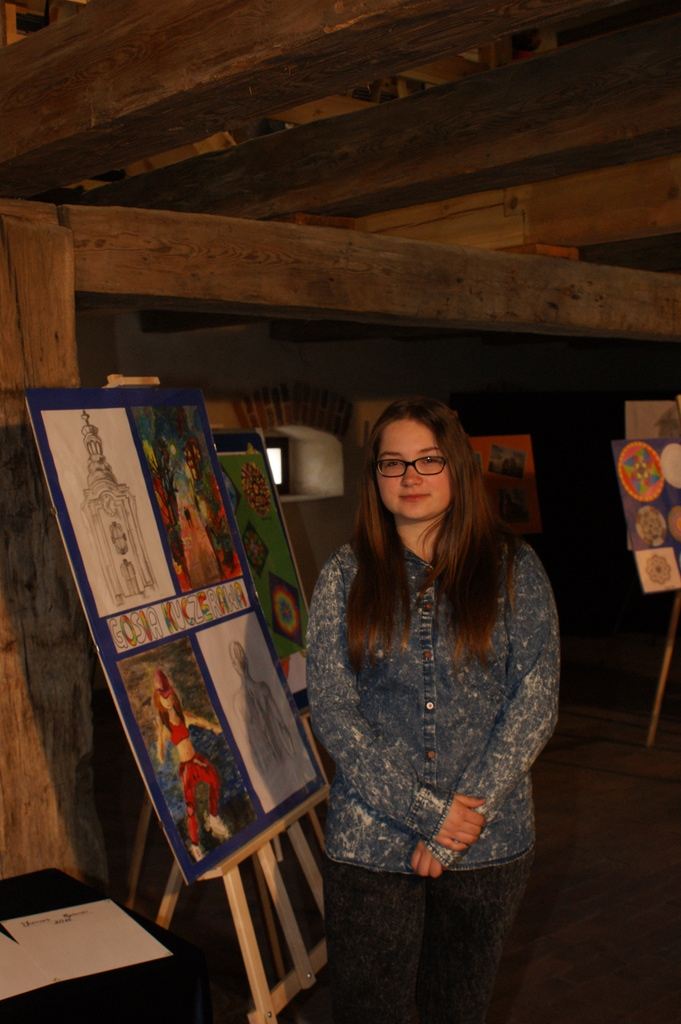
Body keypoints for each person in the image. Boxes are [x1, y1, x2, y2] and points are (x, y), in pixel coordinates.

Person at [306, 397, 559, 1024]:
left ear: (459, 469)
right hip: (370, 843)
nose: (410, 477)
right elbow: (333, 711)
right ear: (375, 477)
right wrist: (428, 813)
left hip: (487, 840)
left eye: (428, 460)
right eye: (392, 463)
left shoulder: (513, 569)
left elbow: (535, 701)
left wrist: (461, 822)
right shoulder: (343, 576)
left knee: (458, 1011)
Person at [153, 668, 231, 861]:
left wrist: (214, 727)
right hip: (187, 768)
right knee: (190, 808)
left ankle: (213, 817)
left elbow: (199, 720)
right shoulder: (165, 727)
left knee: (215, 779)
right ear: (159, 701)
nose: (168, 700)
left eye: (169, 696)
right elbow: (160, 746)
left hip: (196, 761)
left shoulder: (183, 717)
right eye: (164, 697)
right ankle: (195, 845)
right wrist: (160, 754)